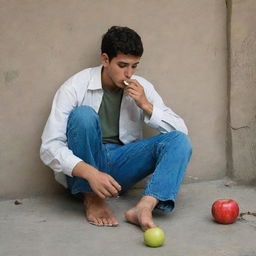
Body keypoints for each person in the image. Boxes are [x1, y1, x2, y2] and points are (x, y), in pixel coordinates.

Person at [40, 26, 192, 231]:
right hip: (85, 169)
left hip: (120, 165)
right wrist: (91, 173)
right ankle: (92, 199)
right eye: (122, 65)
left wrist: (146, 105)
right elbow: (49, 147)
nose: (128, 73)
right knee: (83, 115)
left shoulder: (141, 87)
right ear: (105, 60)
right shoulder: (75, 86)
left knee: (179, 140)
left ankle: (144, 206)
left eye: (134, 66)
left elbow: (180, 130)